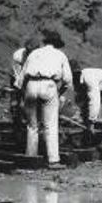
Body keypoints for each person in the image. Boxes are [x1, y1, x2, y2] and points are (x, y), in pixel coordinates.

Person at [16, 30, 72, 168]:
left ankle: (31, 158)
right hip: (49, 85)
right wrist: (59, 92)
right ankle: (53, 160)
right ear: (57, 44)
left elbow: (20, 79)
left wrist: (24, 94)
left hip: (31, 85)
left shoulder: (34, 53)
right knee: (50, 125)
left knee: (32, 125)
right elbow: (67, 80)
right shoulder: (60, 55)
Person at [10, 37, 41, 141]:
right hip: (18, 78)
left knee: (32, 105)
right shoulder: (18, 55)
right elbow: (18, 76)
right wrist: (22, 91)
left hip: (33, 79)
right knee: (17, 104)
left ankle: (32, 123)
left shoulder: (40, 56)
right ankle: (17, 126)